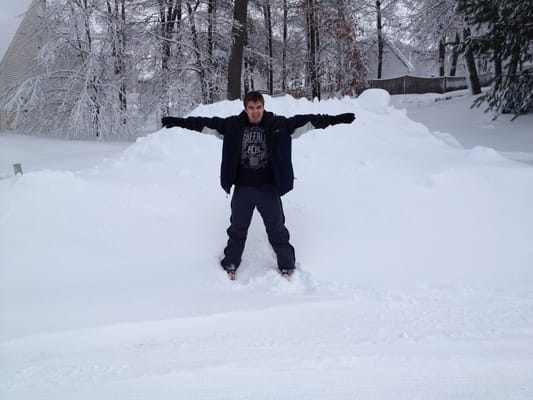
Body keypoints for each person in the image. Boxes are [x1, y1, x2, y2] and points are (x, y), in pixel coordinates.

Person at [161, 91, 355, 279]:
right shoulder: (232, 126)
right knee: (237, 230)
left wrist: (336, 119)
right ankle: (230, 263)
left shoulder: (279, 125)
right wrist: (179, 122)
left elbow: (311, 120)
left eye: (259, 107)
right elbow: (203, 123)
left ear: (264, 107)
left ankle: (287, 265)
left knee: (277, 229)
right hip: (243, 190)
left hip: (268, 189)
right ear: (245, 108)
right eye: (251, 107)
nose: (255, 111)